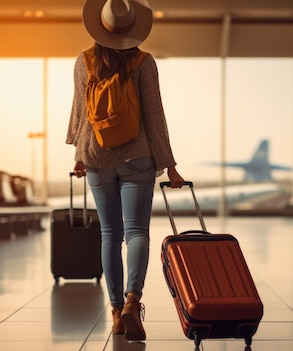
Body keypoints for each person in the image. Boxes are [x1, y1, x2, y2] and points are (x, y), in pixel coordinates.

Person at [66, 0, 184, 341]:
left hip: (96, 156)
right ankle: (134, 300)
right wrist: (170, 166)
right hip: (138, 157)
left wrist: (79, 154)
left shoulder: (84, 60)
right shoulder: (144, 62)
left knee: (109, 235)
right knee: (136, 233)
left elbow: (80, 111)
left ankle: (116, 312)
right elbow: (154, 116)